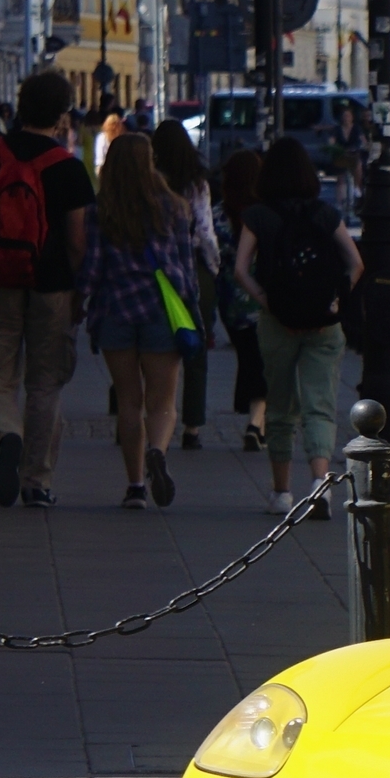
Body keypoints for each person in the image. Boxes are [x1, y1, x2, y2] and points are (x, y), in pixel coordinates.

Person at [0, 69, 96, 511]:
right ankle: (36, 480)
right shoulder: (69, 168)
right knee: (45, 384)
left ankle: (7, 435)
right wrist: (80, 289)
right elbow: (78, 240)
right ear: (61, 115)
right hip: (52, 286)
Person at [236, 135, 363, 516]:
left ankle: (281, 492)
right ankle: (320, 484)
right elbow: (355, 263)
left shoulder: (257, 215)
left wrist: (268, 301)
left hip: (278, 323)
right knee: (320, 405)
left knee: (280, 406)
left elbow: (241, 270)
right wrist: (336, 299)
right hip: (324, 323)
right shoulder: (324, 213)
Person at [78, 131, 201, 510]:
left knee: (129, 402)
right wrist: (193, 309)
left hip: (116, 311)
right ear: (149, 162)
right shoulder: (174, 207)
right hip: (162, 313)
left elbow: (92, 268)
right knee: (162, 402)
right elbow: (186, 265)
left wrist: (78, 306)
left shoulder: (101, 210)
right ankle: (158, 452)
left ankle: (135, 487)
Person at [149, 118, 220, 450]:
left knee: (149, 343)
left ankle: (135, 417)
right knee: (195, 343)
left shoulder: (149, 182)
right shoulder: (196, 183)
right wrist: (214, 266)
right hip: (192, 266)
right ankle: (192, 426)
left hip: (155, 267)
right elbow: (205, 230)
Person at [215, 148, 270, 451]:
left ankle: (257, 421)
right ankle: (255, 422)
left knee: (249, 357)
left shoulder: (219, 215)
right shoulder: (264, 213)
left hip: (230, 301)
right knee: (262, 361)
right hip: (261, 297)